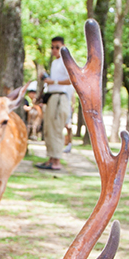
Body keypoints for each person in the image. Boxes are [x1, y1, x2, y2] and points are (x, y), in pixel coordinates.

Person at [36, 35, 73, 172]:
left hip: (60, 98)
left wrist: (54, 82)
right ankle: (51, 159)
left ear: (63, 46)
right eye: (52, 47)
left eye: (57, 47)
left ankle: (57, 160)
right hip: (52, 97)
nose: (54, 50)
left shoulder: (66, 61)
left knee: (56, 128)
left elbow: (72, 79)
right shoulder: (54, 62)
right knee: (48, 129)